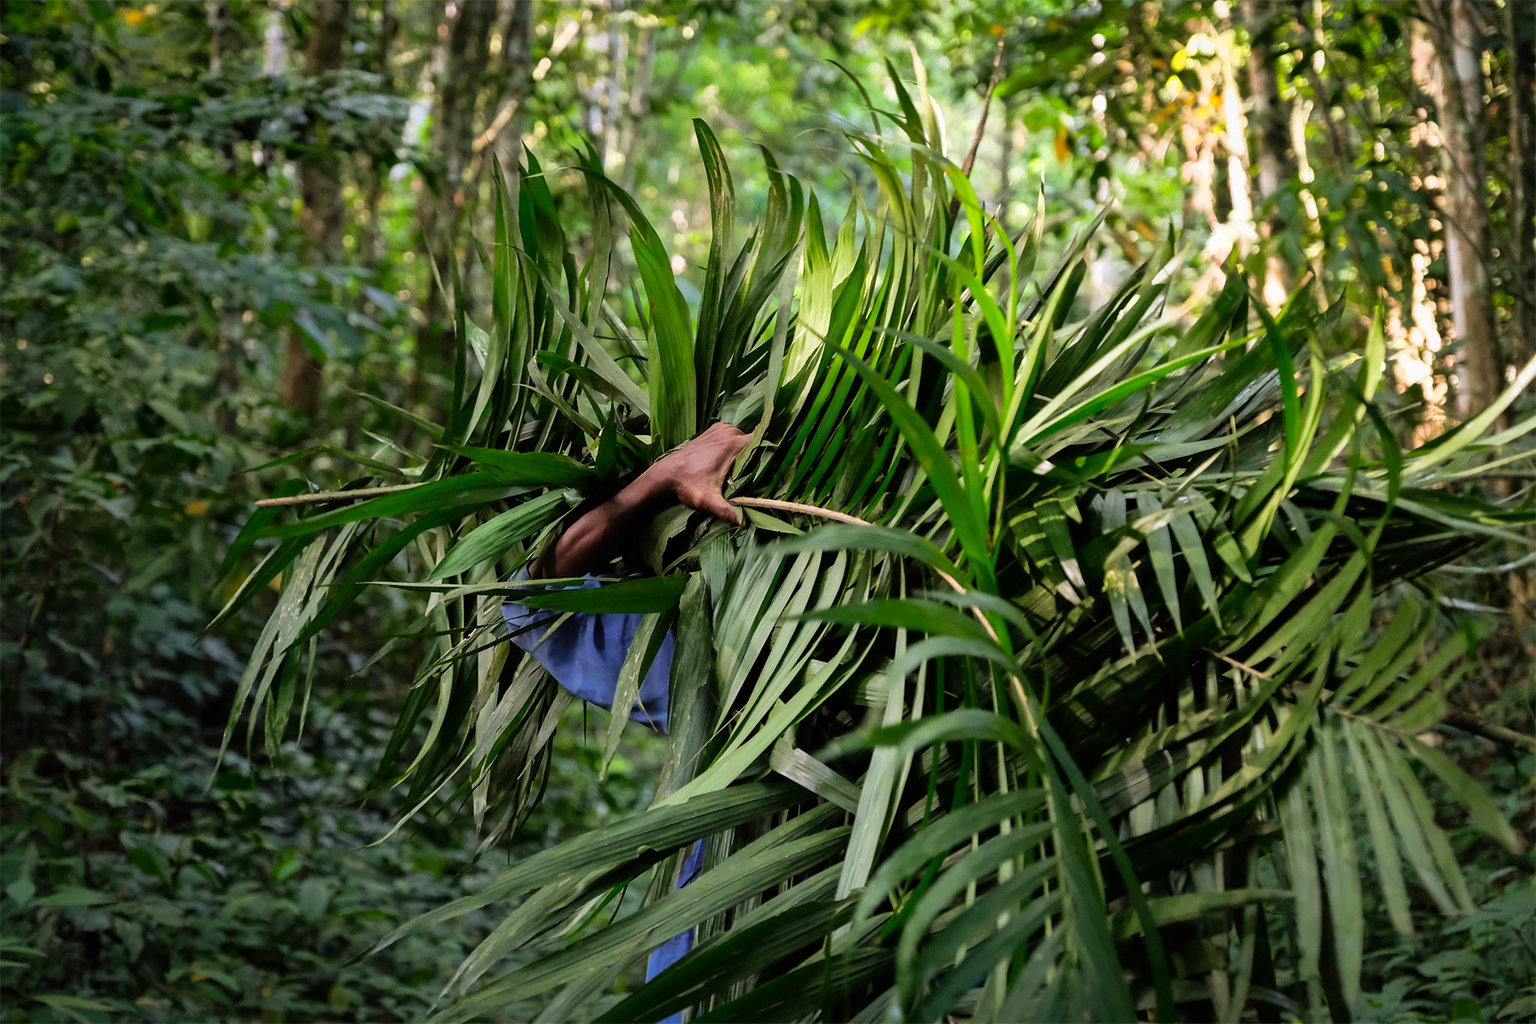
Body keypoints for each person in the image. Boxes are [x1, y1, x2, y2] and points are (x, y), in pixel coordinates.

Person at [500, 422, 751, 1004]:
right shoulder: (696, 633)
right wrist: (668, 474)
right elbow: (534, 604)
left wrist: (662, 478)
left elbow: (532, 606)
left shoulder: (695, 638)